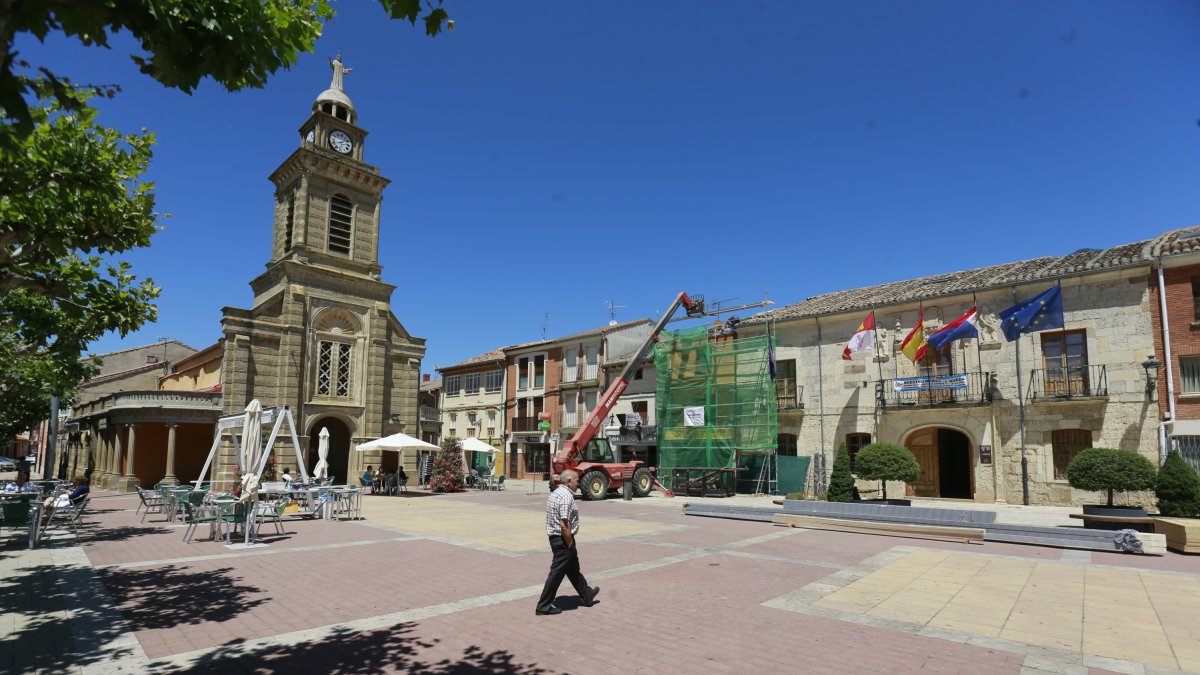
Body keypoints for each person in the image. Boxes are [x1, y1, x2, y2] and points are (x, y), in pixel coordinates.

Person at [535, 469, 599, 616]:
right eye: (577, 480)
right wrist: (569, 543)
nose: (579, 483)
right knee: (556, 573)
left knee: (572, 569)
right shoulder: (565, 497)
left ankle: (587, 595)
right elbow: (565, 523)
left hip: (559, 538)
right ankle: (543, 606)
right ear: (569, 481)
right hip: (563, 539)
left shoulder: (556, 492)